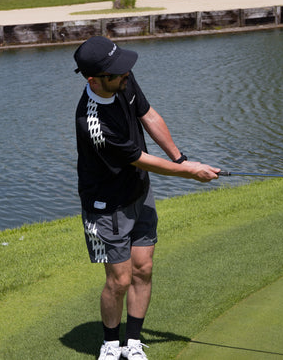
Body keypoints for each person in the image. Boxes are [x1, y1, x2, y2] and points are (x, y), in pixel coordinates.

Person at [74, 36, 220, 360]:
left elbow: (149, 116)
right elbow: (140, 157)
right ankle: (111, 344)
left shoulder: (121, 77)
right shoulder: (93, 123)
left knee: (143, 268)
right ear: (94, 80)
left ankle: (133, 342)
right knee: (119, 279)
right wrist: (190, 172)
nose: (126, 75)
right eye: (117, 74)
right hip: (107, 206)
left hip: (139, 191)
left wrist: (181, 158)